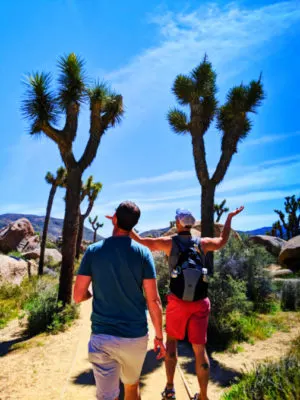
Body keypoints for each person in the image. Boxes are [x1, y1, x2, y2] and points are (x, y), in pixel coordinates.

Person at [128, 206, 244, 400]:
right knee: (200, 349)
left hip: (177, 302)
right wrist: (229, 218)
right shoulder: (203, 243)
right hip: (200, 303)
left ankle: (170, 389)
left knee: (171, 342)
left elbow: (140, 241)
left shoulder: (169, 243)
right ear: (191, 224)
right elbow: (223, 241)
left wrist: (126, 224)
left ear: (177, 223)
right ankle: (204, 396)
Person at [74, 201, 166, 400]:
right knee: (132, 387)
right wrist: (159, 336)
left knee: (107, 396)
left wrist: (92, 294)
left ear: (114, 219)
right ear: (134, 225)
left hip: (102, 337)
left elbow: (77, 295)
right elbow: (154, 300)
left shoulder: (93, 251)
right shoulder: (143, 253)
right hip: (135, 336)